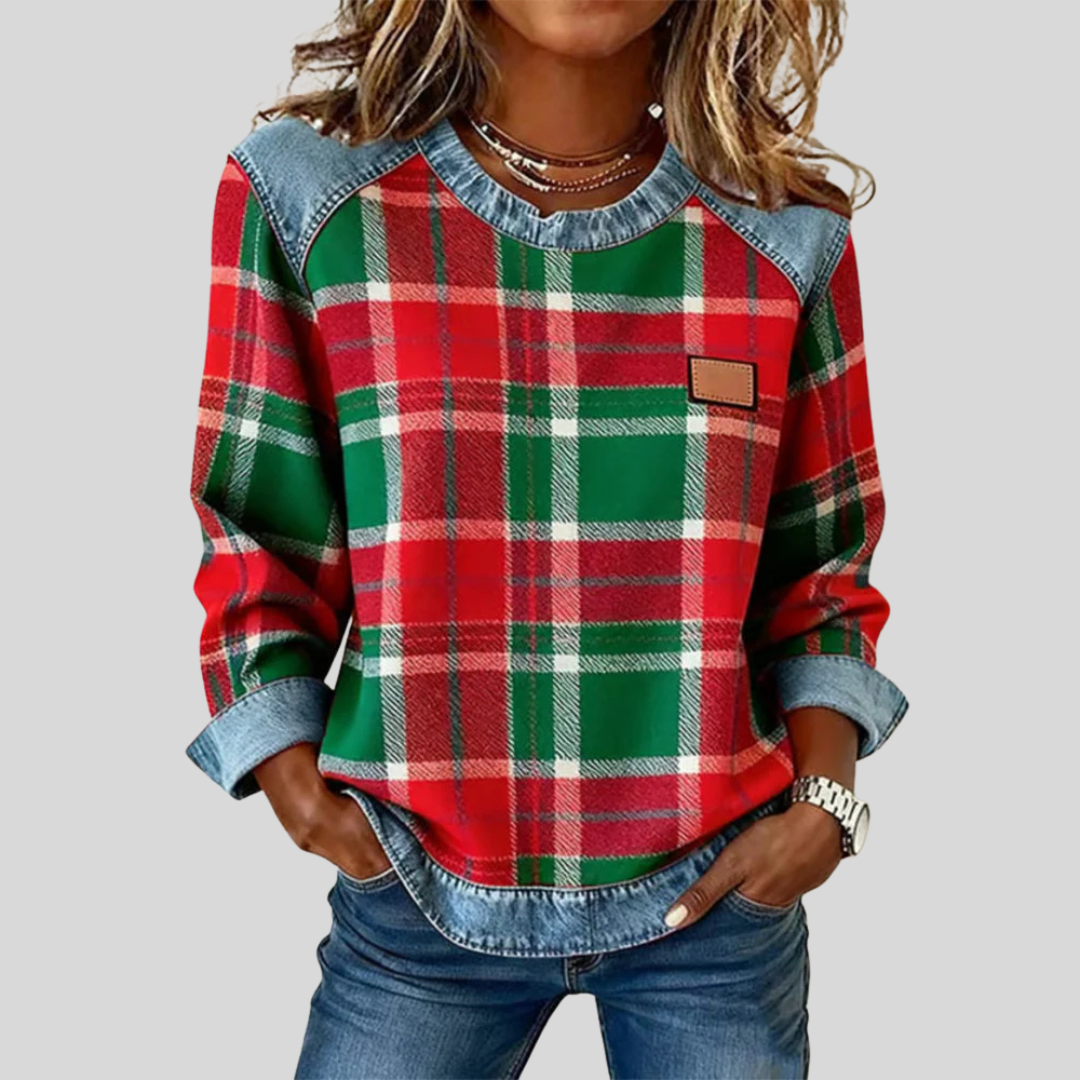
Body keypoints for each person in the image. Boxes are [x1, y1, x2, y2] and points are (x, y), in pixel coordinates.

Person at [184, 1, 909, 1076]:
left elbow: (822, 569)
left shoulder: (783, 233)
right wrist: (291, 779)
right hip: (414, 903)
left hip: (718, 910)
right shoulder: (311, 199)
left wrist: (824, 808)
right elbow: (259, 527)